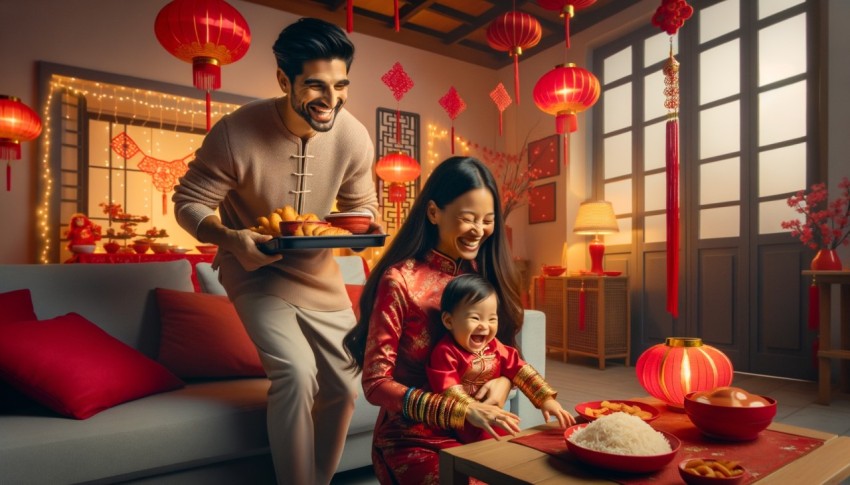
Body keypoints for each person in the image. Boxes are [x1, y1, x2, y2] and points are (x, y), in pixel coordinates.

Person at [173, 17, 378, 485]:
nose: (331, 100)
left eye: (341, 85)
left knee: (346, 386)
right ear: (284, 80)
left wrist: (369, 220)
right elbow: (188, 203)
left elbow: (361, 203)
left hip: (319, 275)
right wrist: (231, 238)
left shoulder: (354, 136)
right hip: (253, 270)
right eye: (316, 86)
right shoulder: (234, 132)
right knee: (297, 374)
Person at [344, 156, 553, 484]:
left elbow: (506, 356)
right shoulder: (399, 281)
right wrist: (461, 409)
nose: (479, 231)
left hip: (480, 432)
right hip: (411, 438)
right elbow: (376, 383)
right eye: (468, 218)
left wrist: (502, 384)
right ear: (433, 212)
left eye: (487, 220)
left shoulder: (483, 276)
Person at [428, 273, 575, 443]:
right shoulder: (445, 352)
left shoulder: (494, 346)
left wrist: (546, 400)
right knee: (494, 445)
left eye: (492, 318)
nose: (485, 325)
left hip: (494, 416)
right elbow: (449, 392)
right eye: (475, 318)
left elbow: (521, 370)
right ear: (448, 321)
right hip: (463, 421)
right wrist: (473, 409)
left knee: (513, 438)